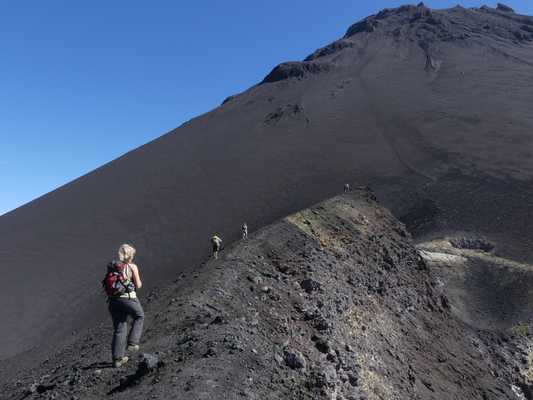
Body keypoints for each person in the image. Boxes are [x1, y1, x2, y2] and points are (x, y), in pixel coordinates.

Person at [106, 244, 144, 368]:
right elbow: (138, 285)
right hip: (129, 299)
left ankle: (117, 360)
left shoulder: (113, 268)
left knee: (120, 327)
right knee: (139, 316)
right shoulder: (131, 266)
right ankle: (133, 343)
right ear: (131, 254)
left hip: (113, 301)